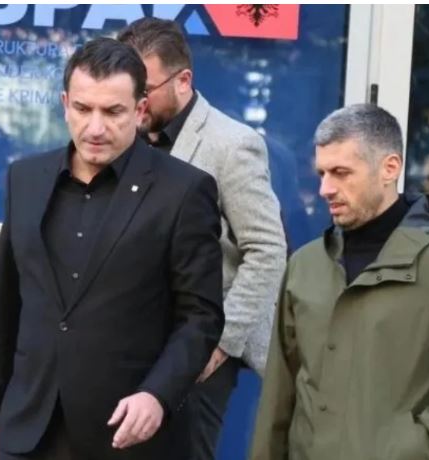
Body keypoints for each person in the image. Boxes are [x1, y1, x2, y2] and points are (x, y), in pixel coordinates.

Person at [0, 37, 224, 460]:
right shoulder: (25, 178)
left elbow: (201, 318)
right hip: (28, 431)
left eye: (113, 111)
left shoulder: (184, 191)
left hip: (129, 435)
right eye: (83, 109)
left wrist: (157, 395)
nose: (96, 128)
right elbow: (4, 306)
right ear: (65, 104)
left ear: (140, 110)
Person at [251, 104, 429, 460]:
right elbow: (279, 393)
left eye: (341, 173)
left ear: (389, 168)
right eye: (321, 173)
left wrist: (412, 447)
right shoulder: (305, 266)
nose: (325, 189)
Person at [117, 19, 287, 459]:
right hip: (130, 341)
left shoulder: (232, 145)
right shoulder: (123, 136)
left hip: (199, 348)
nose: (135, 101)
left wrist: (220, 342)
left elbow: (268, 250)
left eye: (145, 89)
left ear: (183, 80)